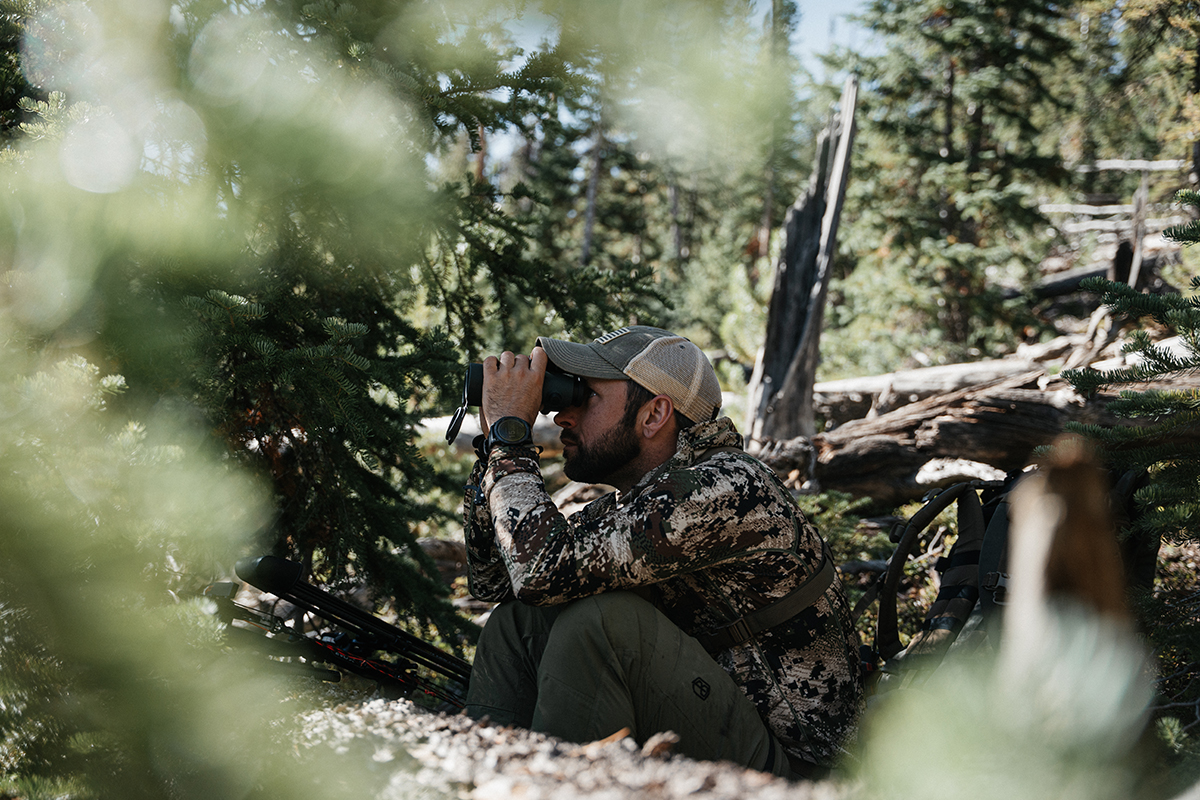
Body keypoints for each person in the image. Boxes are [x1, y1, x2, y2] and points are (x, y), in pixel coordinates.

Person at [461, 325, 863, 779]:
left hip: (795, 767)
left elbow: (540, 570)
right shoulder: (641, 503)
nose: (561, 416)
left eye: (583, 396)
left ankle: (557, 788)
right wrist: (492, 450)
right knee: (520, 621)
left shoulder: (728, 487)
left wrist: (511, 435)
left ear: (654, 414)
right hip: (720, 721)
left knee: (602, 624)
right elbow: (498, 579)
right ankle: (489, 780)